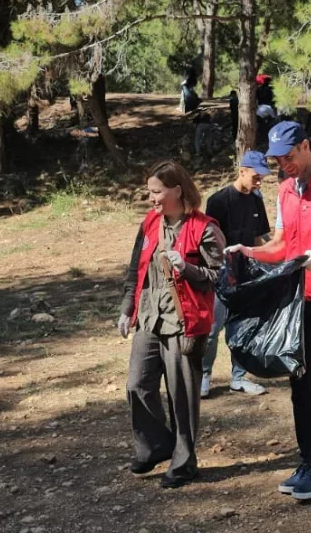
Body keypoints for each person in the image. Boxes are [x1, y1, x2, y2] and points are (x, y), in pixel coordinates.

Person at [226, 121, 311, 501]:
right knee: (298, 376)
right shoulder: (286, 190)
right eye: (276, 159)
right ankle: (310, 461)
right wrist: (249, 251)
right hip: (298, 298)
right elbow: (282, 244)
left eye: (289, 155)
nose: (283, 164)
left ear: (306, 145)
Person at [117, 161, 224, 489]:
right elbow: (136, 268)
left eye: (156, 191)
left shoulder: (205, 228)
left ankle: (184, 462)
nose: (151, 198)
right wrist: (126, 309)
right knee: (137, 384)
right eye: (149, 191)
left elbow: (220, 277)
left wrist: (187, 269)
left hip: (184, 323)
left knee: (181, 396)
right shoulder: (150, 222)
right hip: (149, 318)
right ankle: (155, 446)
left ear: (177, 190)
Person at [202, 151, 273, 397]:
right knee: (212, 329)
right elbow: (208, 241)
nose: (259, 182)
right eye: (255, 176)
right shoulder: (219, 201)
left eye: (262, 177)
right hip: (221, 274)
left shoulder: (256, 200)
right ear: (241, 171)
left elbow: (259, 237)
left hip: (246, 274)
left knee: (242, 329)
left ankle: (239, 377)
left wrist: (271, 259)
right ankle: (204, 376)